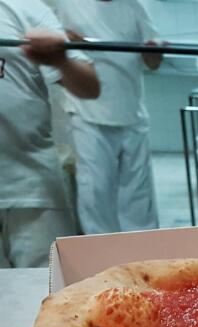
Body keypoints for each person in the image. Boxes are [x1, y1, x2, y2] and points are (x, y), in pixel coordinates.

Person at [0, 0, 100, 268]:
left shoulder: (25, 9)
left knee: (48, 295)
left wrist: (62, 60)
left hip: (31, 188)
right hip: (32, 186)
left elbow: (90, 86)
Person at [56, 0, 162, 234]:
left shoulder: (135, 6)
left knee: (138, 200)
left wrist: (155, 51)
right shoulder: (68, 5)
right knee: (95, 196)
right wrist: (70, 41)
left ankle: (142, 259)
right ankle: (101, 260)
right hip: (87, 114)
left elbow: (154, 61)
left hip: (132, 114)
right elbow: (55, 46)